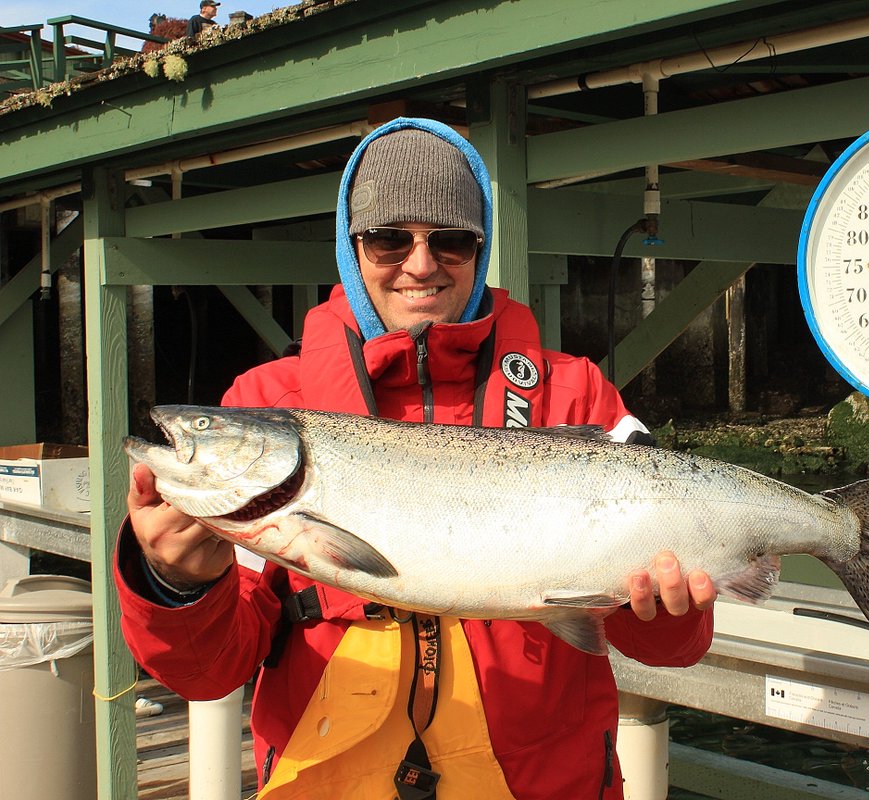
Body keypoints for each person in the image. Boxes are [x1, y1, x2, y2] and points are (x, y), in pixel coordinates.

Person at [115, 116, 717, 799]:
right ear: (351, 247)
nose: (421, 263)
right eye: (388, 239)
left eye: (452, 240)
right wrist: (176, 586)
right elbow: (208, 672)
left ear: (482, 247)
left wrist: (669, 610)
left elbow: (673, 646)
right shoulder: (264, 398)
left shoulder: (577, 395)